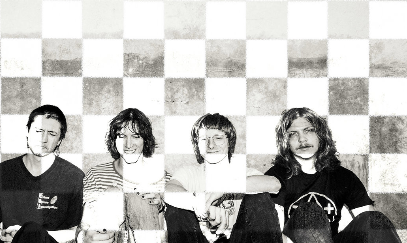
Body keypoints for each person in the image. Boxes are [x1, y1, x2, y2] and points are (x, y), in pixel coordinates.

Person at [0, 105, 84, 243]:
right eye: (38, 131)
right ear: (27, 131)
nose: (43, 138)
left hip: (47, 241)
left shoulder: (74, 177)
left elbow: (76, 232)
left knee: (31, 231)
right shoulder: (1, 172)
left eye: (52, 134)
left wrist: (25, 234)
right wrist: (6, 234)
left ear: (59, 140)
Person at [265, 107, 402, 243]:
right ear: (286, 141)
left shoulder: (343, 176)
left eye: (308, 130)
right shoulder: (276, 177)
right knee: (309, 212)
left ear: (321, 135)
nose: (302, 139)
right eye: (293, 134)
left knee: (373, 219)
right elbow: (272, 234)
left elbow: (368, 222)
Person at [164, 113, 283, 243]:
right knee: (175, 207)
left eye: (218, 138)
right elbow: (168, 189)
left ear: (229, 141)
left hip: (238, 239)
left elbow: (274, 184)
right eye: (203, 139)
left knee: (258, 197)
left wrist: (223, 188)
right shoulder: (189, 173)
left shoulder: (244, 172)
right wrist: (200, 204)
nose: (210, 145)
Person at [79, 108, 171, 243]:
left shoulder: (164, 179)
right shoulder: (96, 176)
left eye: (136, 136)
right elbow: (83, 225)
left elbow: (173, 232)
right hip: (109, 238)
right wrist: (83, 238)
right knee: (113, 193)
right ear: (114, 140)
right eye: (122, 136)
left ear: (145, 140)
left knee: (143, 199)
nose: (128, 144)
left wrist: (161, 207)